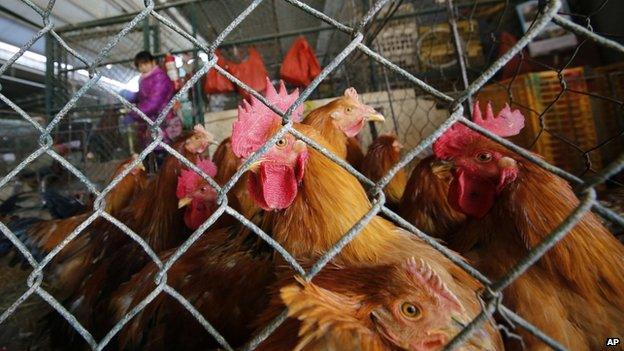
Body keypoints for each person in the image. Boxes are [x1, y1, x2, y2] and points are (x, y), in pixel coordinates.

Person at [124, 51, 182, 169]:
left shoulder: (160, 78)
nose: (142, 67)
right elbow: (144, 96)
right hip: (151, 122)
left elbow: (153, 103)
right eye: (139, 65)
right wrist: (131, 96)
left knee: (162, 155)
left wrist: (133, 115)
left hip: (163, 121)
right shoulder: (144, 78)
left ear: (153, 62)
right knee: (153, 154)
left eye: (145, 64)